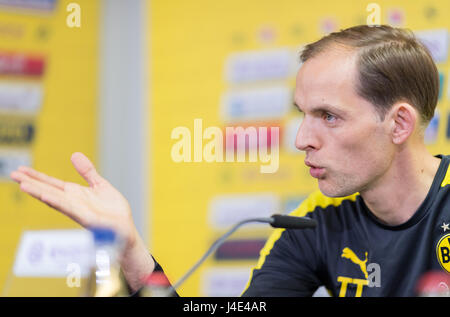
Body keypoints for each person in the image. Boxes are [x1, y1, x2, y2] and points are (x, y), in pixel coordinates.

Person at [10, 24, 450, 297]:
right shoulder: (316, 221)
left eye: (329, 116)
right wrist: (131, 250)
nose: (301, 140)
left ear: (398, 125)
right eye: (303, 114)